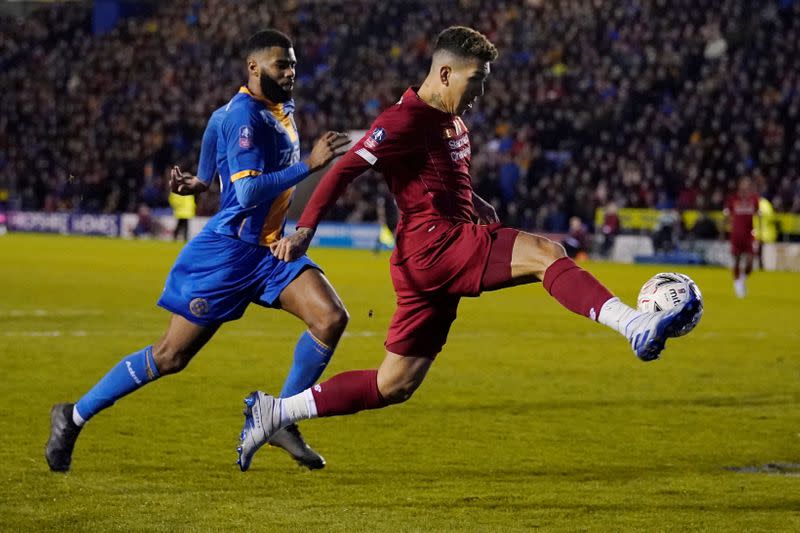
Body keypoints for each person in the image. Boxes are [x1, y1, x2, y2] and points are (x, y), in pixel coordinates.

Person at [235, 26, 701, 469]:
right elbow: (343, 170)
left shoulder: (451, 121)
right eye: (475, 80)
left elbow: (435, 176)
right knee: (546, 254)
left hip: (430, 256)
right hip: (436, 245)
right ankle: (633, 324)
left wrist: (474, 201)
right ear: (444, 74)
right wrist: (305, 229)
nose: (480, 92)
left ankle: (275, 412)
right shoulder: (404, 119)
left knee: (394, 383)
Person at [45, 29, 351, 473]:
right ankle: (72, 417)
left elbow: (213, 133)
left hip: (269, 253)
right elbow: (246, 195)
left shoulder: (267, 109)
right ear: (253, 67)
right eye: (280, 65)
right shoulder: (246, 116)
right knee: (170, 356)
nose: (290, 72)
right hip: (226, 256)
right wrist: (310, 165)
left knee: (330, 317)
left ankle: (281, 416)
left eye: (293, 64)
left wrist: (203, 180)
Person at [723, 176, 760, 297]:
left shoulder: (754, 200)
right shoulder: (733, 199)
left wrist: (759, 231)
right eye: (743, 184)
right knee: (737, 261)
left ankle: (741, 280)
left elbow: (758, 215)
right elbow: (727, 215)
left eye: (748, 185)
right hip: (736, 235)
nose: (746, 187)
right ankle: (737, 283)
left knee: (750, 261)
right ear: (739, 186)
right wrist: (725, 228)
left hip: (749, 235)